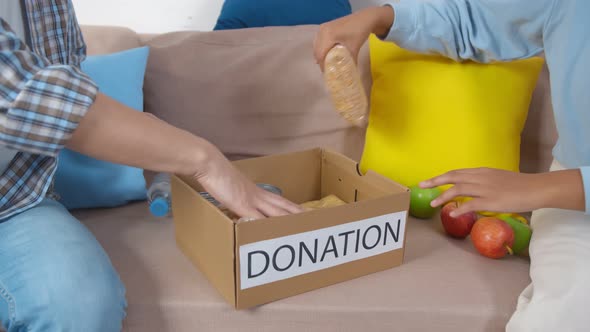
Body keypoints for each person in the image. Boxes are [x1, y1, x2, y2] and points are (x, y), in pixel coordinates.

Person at [0, 1, 302, 331]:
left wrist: (145, 134)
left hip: (17, 199)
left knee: (80, 306)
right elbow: (31, 97)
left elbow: (68, 85)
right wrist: (207, 162)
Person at [314, 1, 589, 331]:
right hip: (573, 201)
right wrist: (383, 17)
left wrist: (538, 188)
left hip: (567, 190)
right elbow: (477, 22)